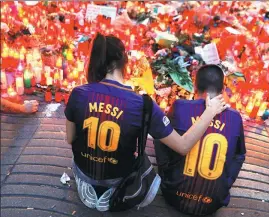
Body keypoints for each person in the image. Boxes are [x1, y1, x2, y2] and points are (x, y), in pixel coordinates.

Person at [64, 33, 228, 212]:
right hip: (120, 180)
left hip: (85, 173)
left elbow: (71, 139)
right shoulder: (143, 105)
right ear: (124, 60)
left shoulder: (78, 93)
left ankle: (92, 188)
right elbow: (183, 146)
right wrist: (210, 112)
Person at [154, 64, 246, 216]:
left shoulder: (180, 106)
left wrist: (164, 170)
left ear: (195, 88)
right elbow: (239, 156)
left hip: (173, 193)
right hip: (212, 203)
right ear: (222, 90)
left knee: (162, 133)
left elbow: (161, 138)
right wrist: (226, 183)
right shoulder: (235, 118)